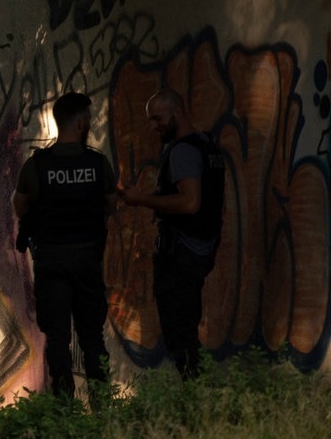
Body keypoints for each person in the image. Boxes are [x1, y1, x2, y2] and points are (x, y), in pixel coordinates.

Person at [13, 91, 118, 397]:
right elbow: (110, 206)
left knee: (57, 339)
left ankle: (64, 408)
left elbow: (21, 206)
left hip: (51, 261)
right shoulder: (98, 164)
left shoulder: (37, 166)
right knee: (92, 337)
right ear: (83, 122)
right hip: (87, 260)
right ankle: (101, 403)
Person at [120, 89, 224, 379]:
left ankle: (192, 389)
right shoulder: (207, 146)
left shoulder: (182, 151)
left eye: (158, 118)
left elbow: (190, 202)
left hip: (182, 255)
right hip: (201, 250)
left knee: (179, 328)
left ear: (175, 113)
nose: (154, 126)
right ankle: (193, 387)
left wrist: (141, 199)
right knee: (187, 323)